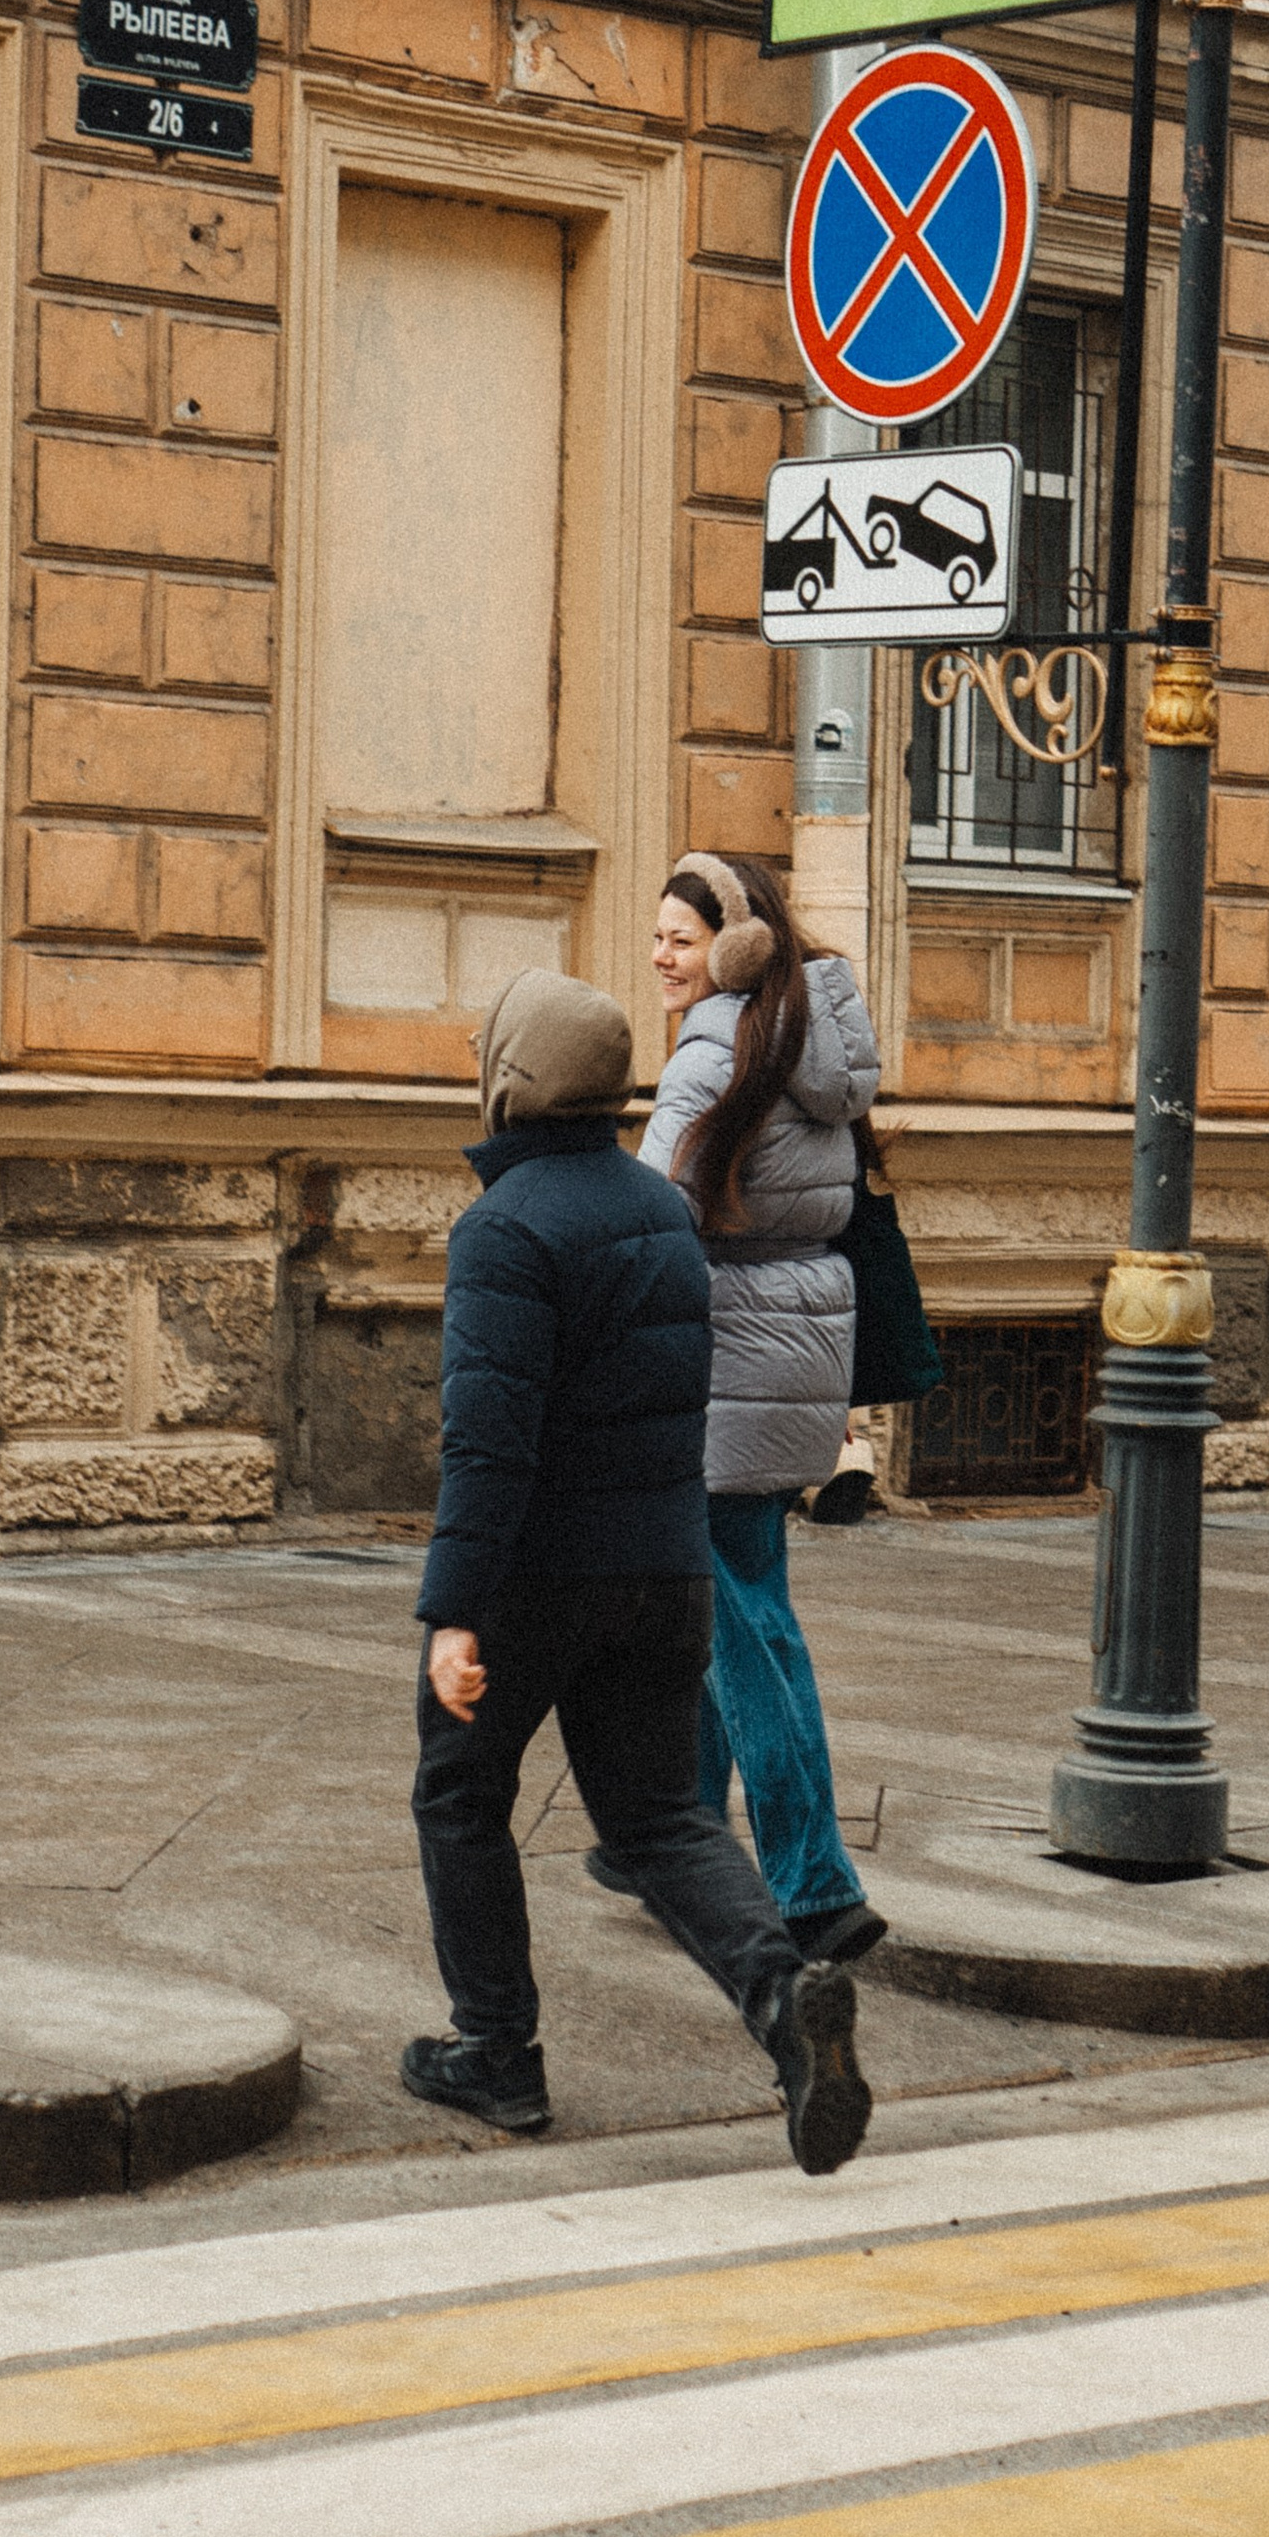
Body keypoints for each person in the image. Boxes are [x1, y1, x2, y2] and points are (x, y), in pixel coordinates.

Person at [404, 962, 872, 2175]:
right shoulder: (659, 1207)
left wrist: (454, 1611)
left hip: (535, 1580)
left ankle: (496, 2054)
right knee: (665, 1820)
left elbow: (488, 1441)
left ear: (507, 1080)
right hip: (664, 1569)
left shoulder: (504, 1229)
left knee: (461, 1800)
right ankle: (784, 2006)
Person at [614, 849, 888, 1964]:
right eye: (659, 936)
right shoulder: (809, 1039)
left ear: (731, 947)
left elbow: (647, 1212)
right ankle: (665, 1837)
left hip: (723, 1351)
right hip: (804, 1339)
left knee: (743, 1631)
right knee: (727, 1604)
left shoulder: (714, 1048)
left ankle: (814, 1883)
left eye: (679, 938)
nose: (660, 956)